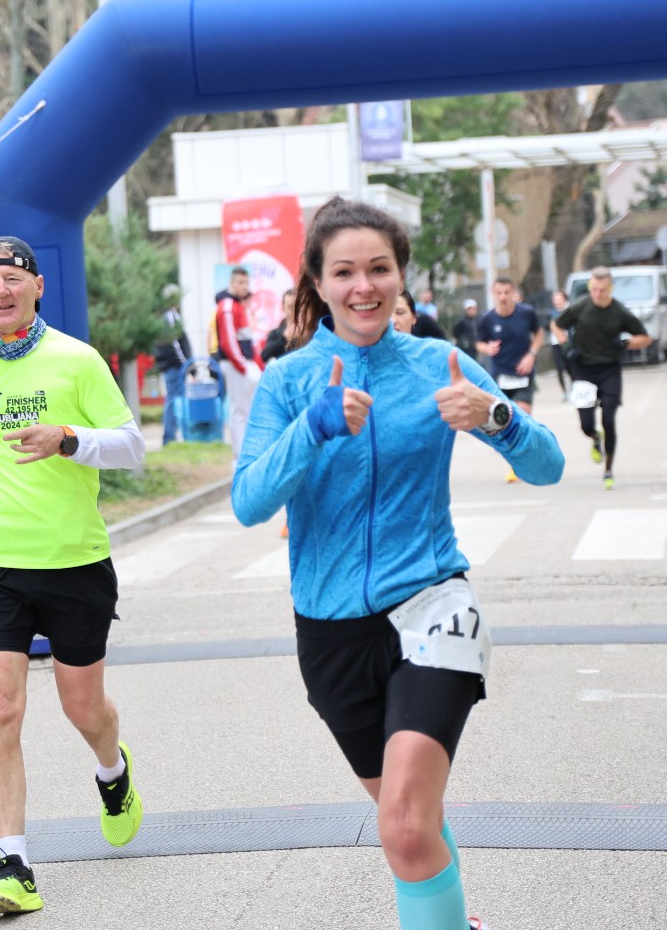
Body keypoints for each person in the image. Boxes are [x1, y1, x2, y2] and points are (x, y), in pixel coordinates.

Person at [232, 198, 564, 930]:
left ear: (400, 276)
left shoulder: (438, 365)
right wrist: (313, 429)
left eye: (379, 268)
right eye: (344, 271)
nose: (364, 286)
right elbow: (248, 502)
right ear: (317, 283)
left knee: (406, 828)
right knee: (408, 819)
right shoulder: (289, 382)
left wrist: (497, 419)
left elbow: (549, 465)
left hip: (433, 606)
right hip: (330, 634)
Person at [0, 236, 147, 916]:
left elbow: (133, 447)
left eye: (12, 279)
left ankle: (112, 771)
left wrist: (70, 438)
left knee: (84, 708)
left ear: (37, 288)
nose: (1, 291)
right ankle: (14, 866)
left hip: (76, 561)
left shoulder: (77, 361)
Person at [552, 266, 651, 491]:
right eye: (594, 289)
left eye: (602, 290)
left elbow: (645, 338)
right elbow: (556, 326)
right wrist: (566, 345)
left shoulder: (620, 312)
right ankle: (596, 438)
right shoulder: (580, 307)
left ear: (610, 288)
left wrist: (626, 343)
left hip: (609, 369)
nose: (597, 294)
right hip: (583, 370)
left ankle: (608, 469)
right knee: (586, 425)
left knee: (609, 418)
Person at [477, 277, 545, 483]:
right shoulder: (487, 319)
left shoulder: (526, 313)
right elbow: (479, 343)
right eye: (499, 293)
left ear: (513, 292)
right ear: (493, 293)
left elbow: (540, 333)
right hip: (500, 377)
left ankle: (523, 463)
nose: (503, 297)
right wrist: (487, 349)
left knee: (523, 417)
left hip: (523, 376)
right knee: (504, 423)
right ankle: (516, 462)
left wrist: (531, 354)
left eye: (507, 292)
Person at [214, 265, 264, 456]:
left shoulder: (237, 304)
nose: (244, 286)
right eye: (241, 282)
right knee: (239, 410)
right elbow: (228, 340)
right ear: (232, 283)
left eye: (246, 282)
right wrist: (243, 365)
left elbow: (244, 338)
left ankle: (247, 451)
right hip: (236, 363)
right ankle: (241, 454)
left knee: (245, 409)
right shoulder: (227, 305)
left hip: (242, 362)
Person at [154, 283, 193, 447]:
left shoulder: (171, 316)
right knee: (172, 400)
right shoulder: (169, 317)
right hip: (174, 366)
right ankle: (169, 437)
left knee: (175, 400)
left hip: (175, 365)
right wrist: (187, 365)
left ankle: (175, 435)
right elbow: (175, 344)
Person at [262, 287, 298, 364]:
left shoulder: (311, 330)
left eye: (297, 306)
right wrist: (284, 338)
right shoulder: (275, 333)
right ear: (283, 308)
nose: (294, 311)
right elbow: (264, 355)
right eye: (290, 307)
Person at [547, 289, 571, 397]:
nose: (557, 302)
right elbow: (547, 327)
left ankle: (574, 388)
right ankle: (565, 392)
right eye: (555, 300)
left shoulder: (569, 311)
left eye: (559, 299)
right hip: (556, 344)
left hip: (568, 344)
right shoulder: (551, 314)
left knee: (570, 367)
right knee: (559, 368)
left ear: (564, 299)